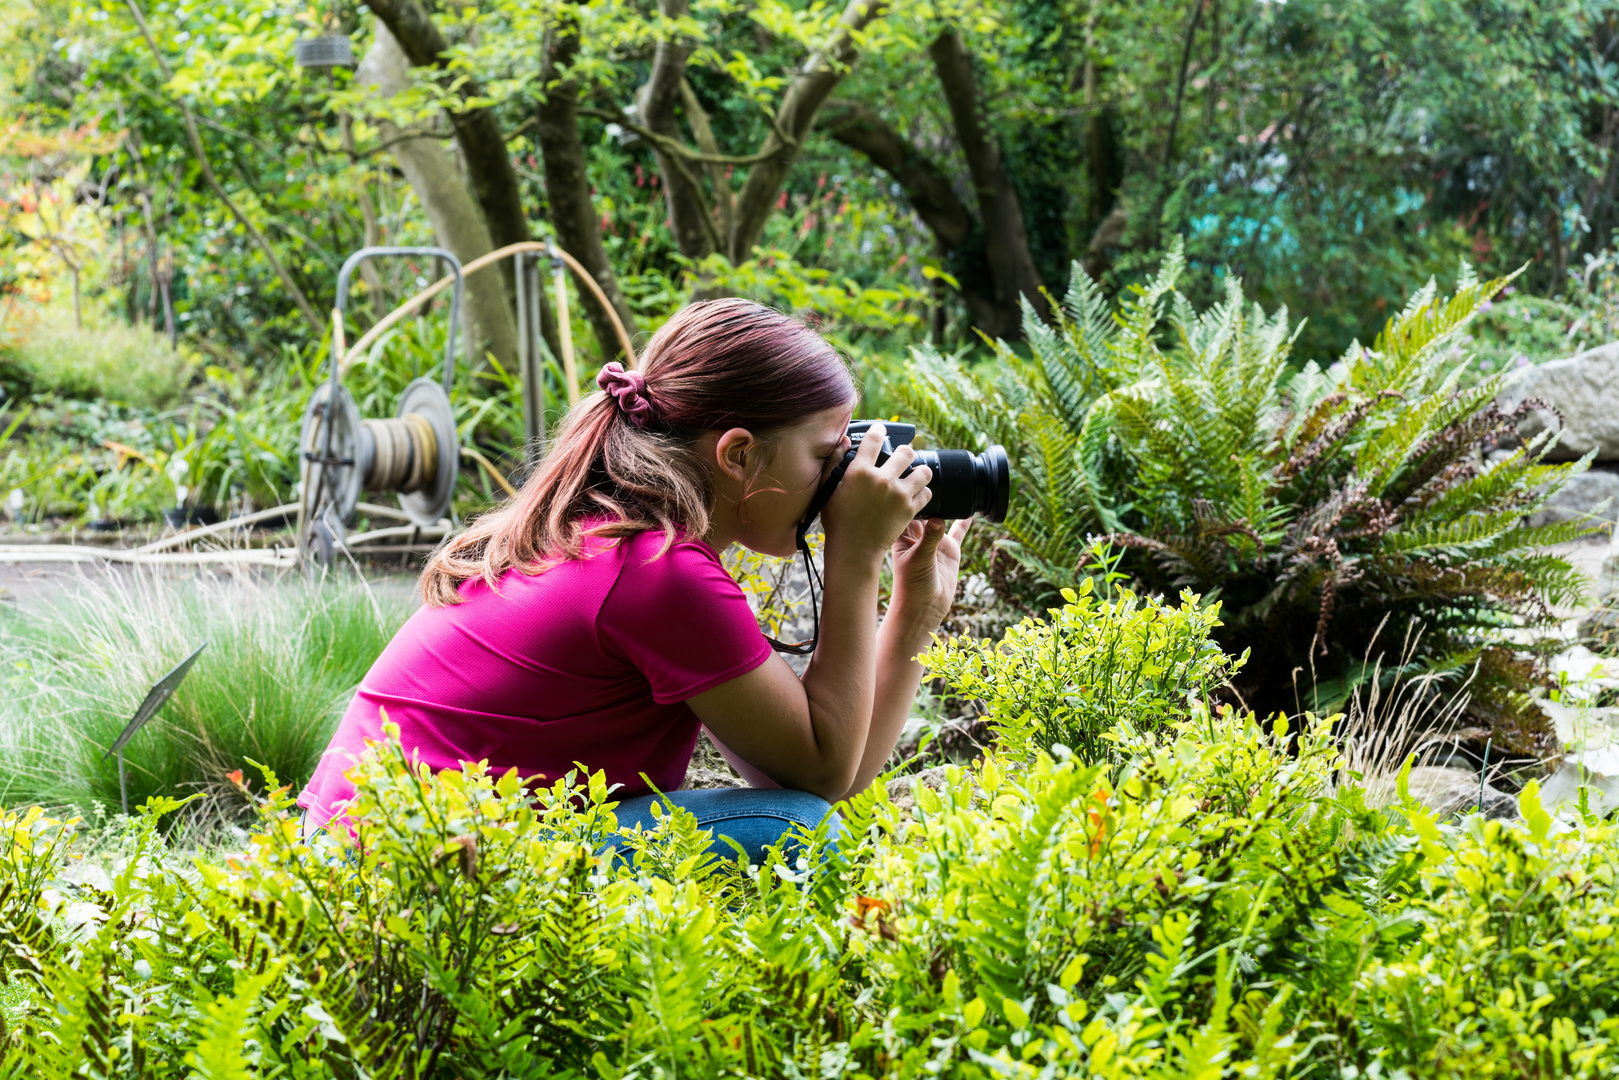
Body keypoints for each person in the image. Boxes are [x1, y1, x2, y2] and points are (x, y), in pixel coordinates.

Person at [296, 298, 970, 863]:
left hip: (377, 844)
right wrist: (852, 557)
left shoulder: (622, 538)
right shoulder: (655, 571)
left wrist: (913, 612)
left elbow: (822, 775)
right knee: (797, 836)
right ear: (737, 455)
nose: (843, 478)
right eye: (829, 453)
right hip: (402, 861)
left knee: (799, 818)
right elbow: (816, 782)